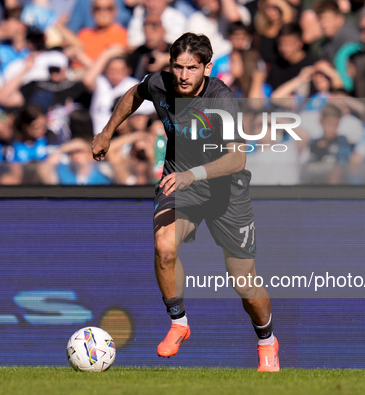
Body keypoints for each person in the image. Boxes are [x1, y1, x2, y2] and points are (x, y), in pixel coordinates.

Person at [92, 33, 280, 371]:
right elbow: (135, 94)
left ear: (207, 68)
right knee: (164, 247)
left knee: (243, 280)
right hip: (181, 183)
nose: (182, 75)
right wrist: (107, 131)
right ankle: (179, 323)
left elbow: (238, 159)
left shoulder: (221, 98)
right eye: (177, 66)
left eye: (192, 68)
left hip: (226, 191)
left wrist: (193, 174)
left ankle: (267, 341)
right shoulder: (160, 83)